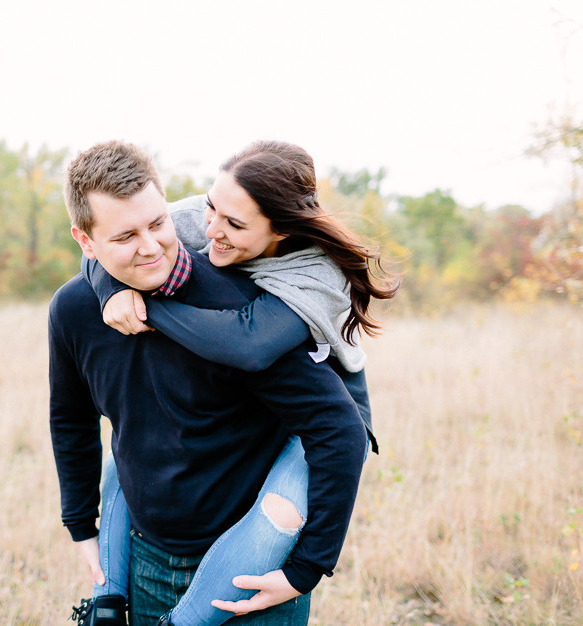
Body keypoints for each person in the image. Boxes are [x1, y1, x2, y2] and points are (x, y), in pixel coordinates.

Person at [77, 140, 399, 625]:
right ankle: (104, 604)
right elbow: (103, 251)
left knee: (278, 516)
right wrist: (111, 291)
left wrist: (148, 305)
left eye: (234, 224)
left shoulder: (317, 272)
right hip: (255, 401)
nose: (209, 230)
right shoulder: (191, 217)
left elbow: (247, 345)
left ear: (281, 228)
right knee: (125, 454)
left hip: (322, 415)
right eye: (212, 208)